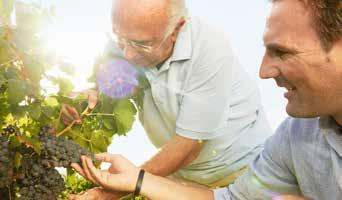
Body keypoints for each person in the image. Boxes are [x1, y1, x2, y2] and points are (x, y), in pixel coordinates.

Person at [71, 0, 342, 199]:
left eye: (282, 52)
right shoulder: (295, 137)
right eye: (120, 40)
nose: (263, 71)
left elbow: (189, 146)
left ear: (176, 29)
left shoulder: (209, 49)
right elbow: (232, 199)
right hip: (192, 182)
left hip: (237, 169)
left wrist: (113, 190)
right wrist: (91, 96)